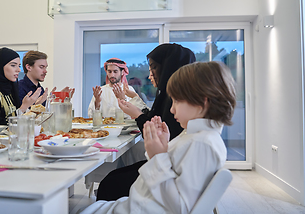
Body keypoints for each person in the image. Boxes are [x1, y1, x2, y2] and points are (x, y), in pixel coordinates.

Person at [81, 61, 236, 214]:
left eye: (177, 101)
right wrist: (165, 145)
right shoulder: (195, 136)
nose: (172, 108)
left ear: (202, 102)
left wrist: (157, 156)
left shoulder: (203, 144)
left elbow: (179, 208)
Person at [95, 43, 196, 201]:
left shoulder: (175, 99)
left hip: (168, 172)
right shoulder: (166, 95)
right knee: (113, 177)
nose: (173, 110)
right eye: (109, 71)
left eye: (154, 67)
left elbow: (158, 131)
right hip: (166, 167)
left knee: (111, 182)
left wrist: (136, 113)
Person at [0, 47, 42, 125]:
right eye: (13, 65)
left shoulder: (10, 87)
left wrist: (33, 106)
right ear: (0, 66)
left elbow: (19, 121)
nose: (18, 70)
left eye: (19, 66)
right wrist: (24, 107)